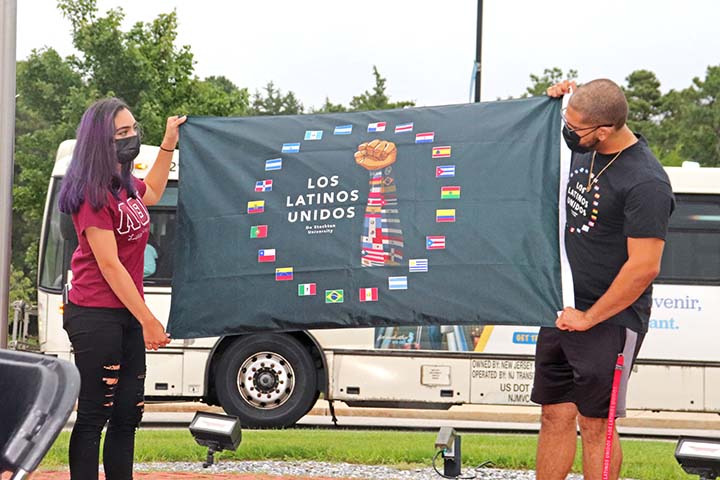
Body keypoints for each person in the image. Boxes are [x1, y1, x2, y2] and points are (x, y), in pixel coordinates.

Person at [531, 79, 675, 480]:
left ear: (604, 130)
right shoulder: (583, 145)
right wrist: (552, 105)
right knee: (554, 415)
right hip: (562, 308)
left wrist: (589, 317)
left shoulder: (646, 181)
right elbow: (546, 139)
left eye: (574, 128)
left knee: (596, 426)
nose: (567, 132)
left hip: (609, 321)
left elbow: (644, 266)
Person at [58, 97, 186, 480]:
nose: (131, 137)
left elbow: (156, 192)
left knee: (128, 413)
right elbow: (110, 266)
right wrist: (148, 320)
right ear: (101, 141)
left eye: (133, 129)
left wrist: (167, 142)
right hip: (95, 314)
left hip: (126, 313)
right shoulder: (90, 194)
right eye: (122, 133)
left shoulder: (124, 185)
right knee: (95, 413)